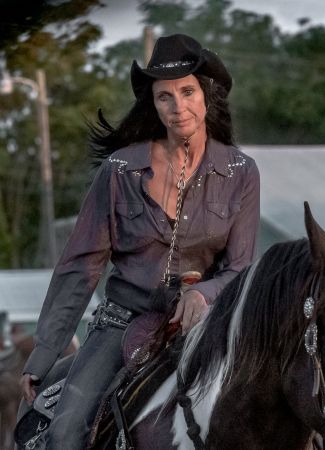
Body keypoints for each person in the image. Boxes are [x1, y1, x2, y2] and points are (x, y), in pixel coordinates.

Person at [19, 34, 260, 449]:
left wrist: (203, 293)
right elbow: (80, 265)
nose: (177, 106)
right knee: (64, 432)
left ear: (207, 96)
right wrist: (44, 353)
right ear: (153, 103)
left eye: (187, 92)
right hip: (121, 322)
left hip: (208, 325)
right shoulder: (119, 170)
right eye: (164, 96)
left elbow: (239, 267)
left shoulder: (242, 171)